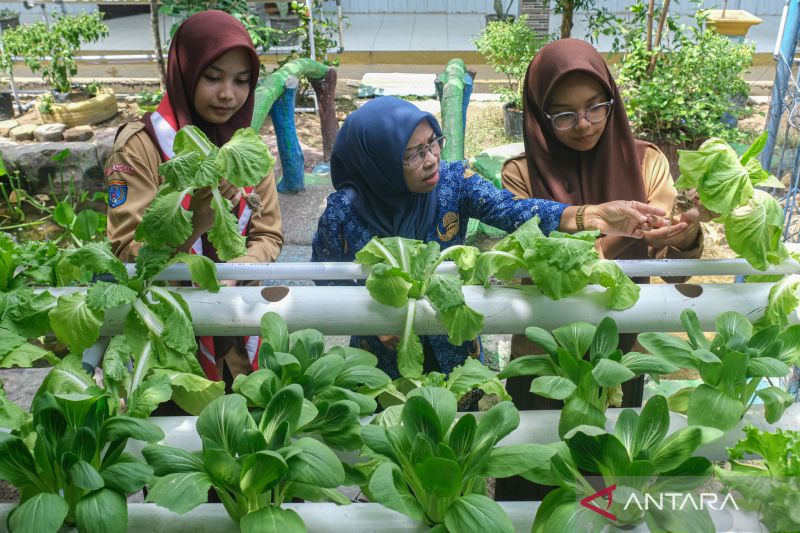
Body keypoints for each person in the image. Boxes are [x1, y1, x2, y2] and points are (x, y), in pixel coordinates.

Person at [311, 95, 667, 384]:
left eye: (433, 142)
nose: (432, 159)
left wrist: (592, 215)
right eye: (414, 154)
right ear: (379, 163)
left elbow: (512, 210)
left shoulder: (454, 182)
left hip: (455, 345)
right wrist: (371, 317)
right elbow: (326, 275)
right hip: (384, 361)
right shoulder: (345, 211)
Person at [495, 38, 710, 500]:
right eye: (564, 114)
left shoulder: (647, 162)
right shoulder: (519, 175)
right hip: (544, 354)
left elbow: (674, 275)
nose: (585, 125)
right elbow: (526, 262)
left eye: (597, 107)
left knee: (603, 484)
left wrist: (686, 237)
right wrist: (607, 231)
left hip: (620, 347)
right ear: (538, 112)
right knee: (534, 478)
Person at [105, 10, 283, 384]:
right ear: (184, 74)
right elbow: (128, 251)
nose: (227, 94)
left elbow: (268, 235)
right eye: (212, 77)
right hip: (167, 339)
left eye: (241, 80)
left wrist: (237, 270)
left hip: (239, 332)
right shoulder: (141, 147)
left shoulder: (247, 150)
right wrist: (197, 218)